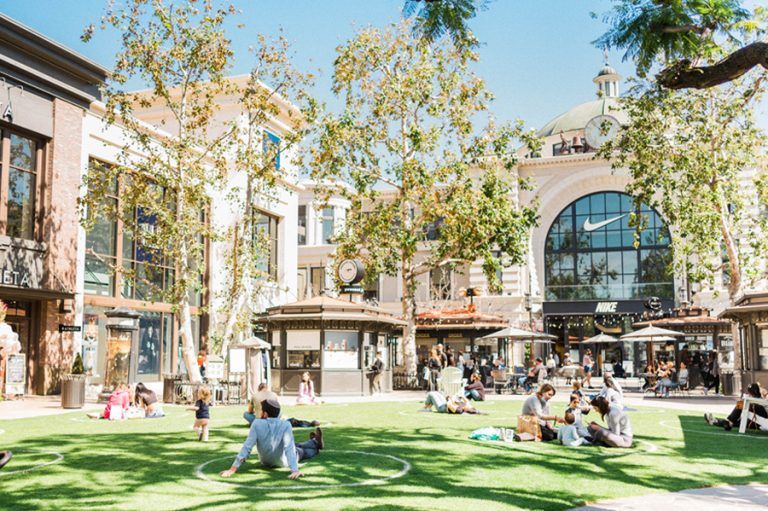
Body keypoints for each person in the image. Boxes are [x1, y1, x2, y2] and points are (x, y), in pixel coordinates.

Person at [220, 398, 323, 480]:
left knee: (297, 446)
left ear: (265, 413)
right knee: (301, 451)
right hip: (283, 462)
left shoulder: (256, 424)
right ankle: (315, 443)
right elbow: (289, 448)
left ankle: (315, 441)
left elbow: (247, 447)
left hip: (266, 462)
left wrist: (232, 469)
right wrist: (294, 470)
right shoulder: (286, 424)